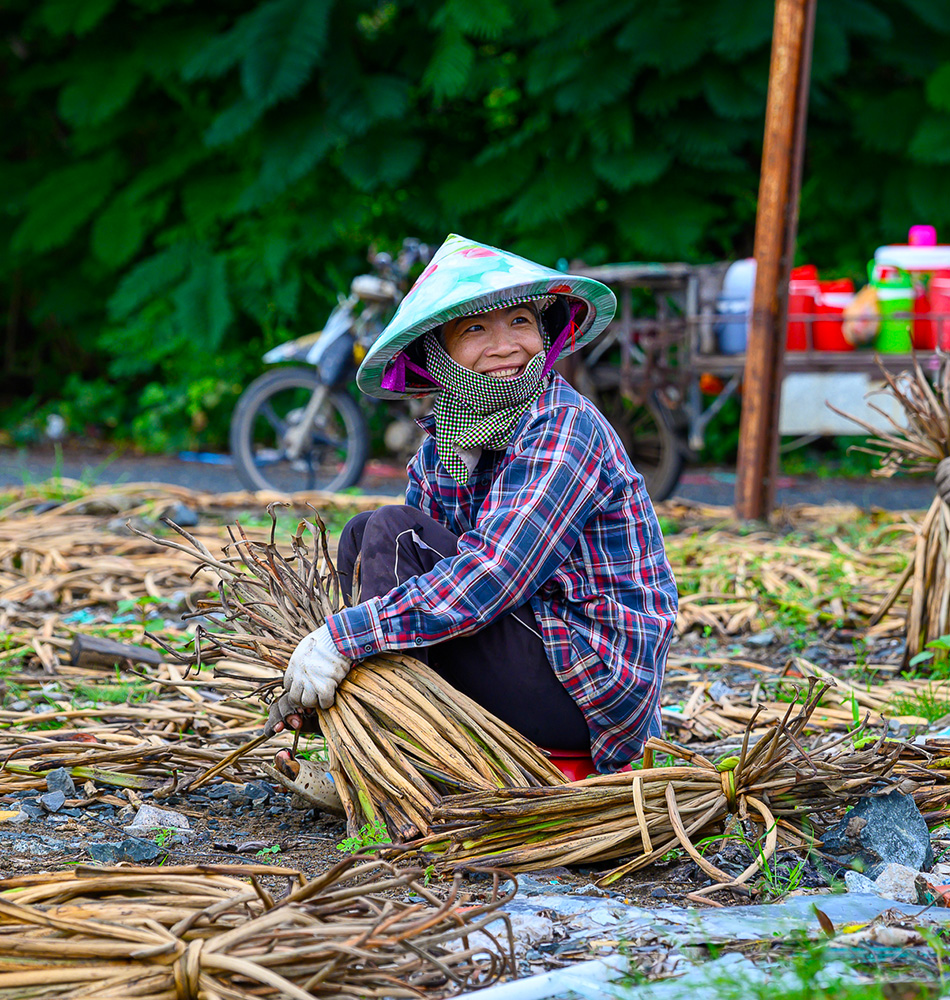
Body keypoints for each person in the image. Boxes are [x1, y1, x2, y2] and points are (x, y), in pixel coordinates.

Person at [267, 234, 678, 774]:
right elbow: (411, 569)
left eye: (521, 323)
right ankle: (381, 733)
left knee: (391, 532)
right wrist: (336, 667)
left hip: (590, 687)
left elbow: (496, 573)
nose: (505, 345)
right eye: (476, 329)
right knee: (365, 534)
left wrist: (344, 640)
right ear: (438, 354)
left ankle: (390, 757)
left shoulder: (563, 427)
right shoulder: (446, 444)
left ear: (545, 333)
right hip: (526, 652)